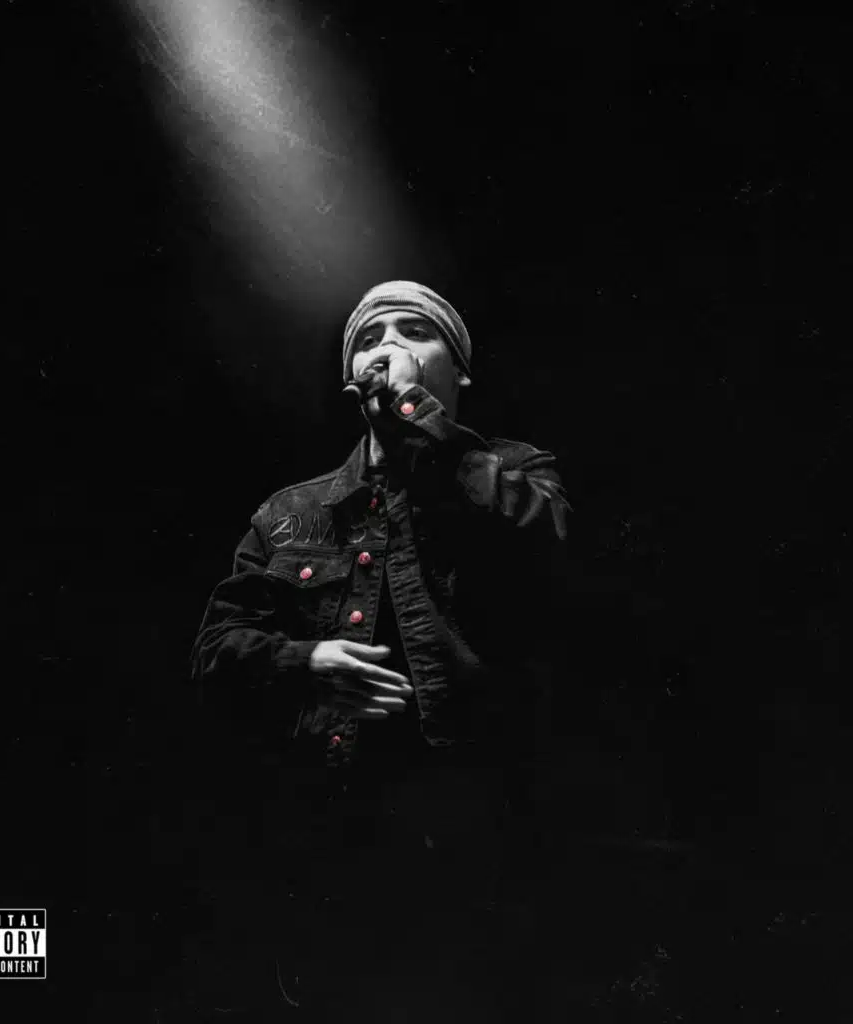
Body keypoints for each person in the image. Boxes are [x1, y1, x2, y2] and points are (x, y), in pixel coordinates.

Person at [190, 281, 569, 1020]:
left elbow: (548, 548)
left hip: (478, 830)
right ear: (349, 378)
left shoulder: (515, 471)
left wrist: (420, 421)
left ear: (458, 371)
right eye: (369, 339)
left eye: (414, 332)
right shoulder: (292, 512)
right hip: (332, 834)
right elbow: (215, 650)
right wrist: (308, 663)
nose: (388, 347)